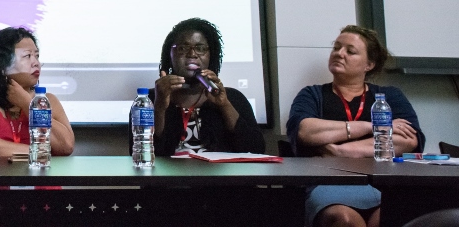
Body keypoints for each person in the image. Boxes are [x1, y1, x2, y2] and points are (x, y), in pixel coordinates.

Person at [286, 25, 425, 227]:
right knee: (345, 220)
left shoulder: (390, 96)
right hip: (328, 182)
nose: (339, 54)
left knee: (387, 218)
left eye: (350, 51)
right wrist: (371, 126)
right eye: (336, 48)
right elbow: (305, 131)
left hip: (382, 183)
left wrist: (341, 151)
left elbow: (408, 139)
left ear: (369, 64)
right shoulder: (312, 94)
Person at [146, 17, 265, 156]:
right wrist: (159, 107)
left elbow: (257, 150)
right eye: (183, 48)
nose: (192, 54)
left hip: (218, 177)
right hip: (169, 177)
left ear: (211, 55)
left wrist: (224, 105)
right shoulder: (149, 99)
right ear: (170, 54)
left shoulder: (233, 98)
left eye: (200, 48)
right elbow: (143, 154)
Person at [0, 26, 74, 156]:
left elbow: (66, 146)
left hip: (37, 176)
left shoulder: (48, 100)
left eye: (37, 56)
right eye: (27, 56)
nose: (36, 63)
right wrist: (36, 152)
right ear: (2, 65)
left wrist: (29, 105)